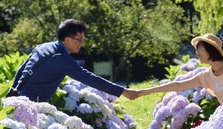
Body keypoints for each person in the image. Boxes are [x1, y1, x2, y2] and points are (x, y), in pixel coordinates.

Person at [8, 19, 138, 102]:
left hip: (18, 97)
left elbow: (21, 70)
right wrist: (123, 91)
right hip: (31, 104)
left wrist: (13, 91)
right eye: (79, 39)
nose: (81, 43)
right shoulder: (61, 58)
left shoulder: (43, 47)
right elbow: (89, 78)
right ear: (67, 39)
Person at [136, 33, 223, 104]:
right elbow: (178, 85)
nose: (197, 53)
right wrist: (145, 91)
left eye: (200, 49)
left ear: (211, 49)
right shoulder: (206, 76)